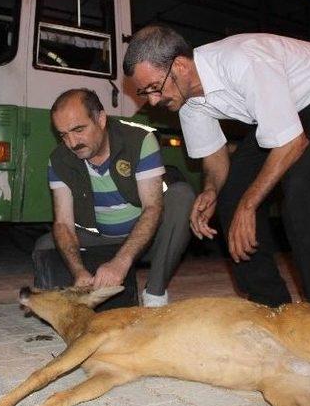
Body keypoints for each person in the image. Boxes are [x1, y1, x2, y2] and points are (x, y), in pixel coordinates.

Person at [124, 25, 310, 311]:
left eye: (154, 88)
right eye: (145, 93)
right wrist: (210, 190)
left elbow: (292, 143)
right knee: (231, 193)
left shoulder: (244, 62)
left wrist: (249, 205)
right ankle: (269, 304)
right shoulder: (187, 101)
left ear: (179, 66)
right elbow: (216, 158)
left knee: (303, 190)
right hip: (289, 104)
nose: (153, 100)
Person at [32, 88, 195, 307]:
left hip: (148, 239)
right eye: (63, 134)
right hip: (103, 240)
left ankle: (155, 294)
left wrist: (120, 262)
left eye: (78, 129)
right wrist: (78, 271)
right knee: (45, 246)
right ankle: (88, 289)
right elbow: (63, 223)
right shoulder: (59, 159)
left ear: (100, 119)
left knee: (182, 196)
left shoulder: (139, 140)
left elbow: (153, 208)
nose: (72, 142)